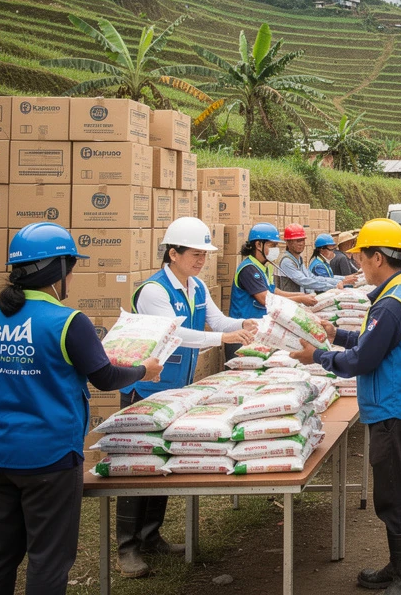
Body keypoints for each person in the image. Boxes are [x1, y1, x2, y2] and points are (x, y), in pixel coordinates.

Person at [0, 223, 162, 594]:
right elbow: (106, 377)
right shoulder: (68, 322)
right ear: (58, 270)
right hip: (48, 456)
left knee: (0, 551)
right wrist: (145, 370)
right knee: (48, 556)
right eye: (72, 268)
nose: (73, 276)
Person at [289, 218, 401, 594]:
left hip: (392, 411)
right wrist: (338, 334)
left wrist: (317, 355)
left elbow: (362, 361)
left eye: (362, 258)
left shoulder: (390, 304)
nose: (358, 265)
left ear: (377, 258)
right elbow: (376, 341)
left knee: (394, 496)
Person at [118, 218, 258, 578]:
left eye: (204, 255)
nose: (201, 261)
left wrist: (243, 327)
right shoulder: (154, 291)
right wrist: (222, 340)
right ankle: (127, 548)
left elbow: (217, 320)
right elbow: (176, 333)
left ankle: (151, 535)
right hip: (145, 389)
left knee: (163, 461)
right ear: (173, 252)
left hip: (175, 389)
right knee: (136, 467)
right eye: (195, 254)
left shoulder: (195, 286)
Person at [228, 223, 315, 356]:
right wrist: (300, 299)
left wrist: (300, 294)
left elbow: (274, 291)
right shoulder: (249, 269)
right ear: (258, 245)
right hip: (243, 333)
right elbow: (265, 299)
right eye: (272, 245)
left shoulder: (265, 267)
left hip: (257, 330)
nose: (275, 250)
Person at [277, 223, 357, 294]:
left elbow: (312, 277)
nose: (301, 244)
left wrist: (342, 279)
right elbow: (304, 281)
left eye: (302, 240)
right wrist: (337, 284)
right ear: (288, 242)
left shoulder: (298, 259)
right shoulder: (287, 261)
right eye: (298, 241)